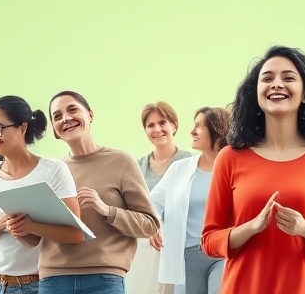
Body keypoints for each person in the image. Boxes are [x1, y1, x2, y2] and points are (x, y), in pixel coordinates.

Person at [201, 45, 305, 294]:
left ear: (304, 94)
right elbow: (209, 240)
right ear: (256, 94)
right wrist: (251, 227)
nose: (276, 84)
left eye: (288, 77)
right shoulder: (230, 158)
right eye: (267, 78)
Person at [40, 91, 160, 294]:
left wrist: (107, 211)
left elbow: (150, 225)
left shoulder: (121, 161)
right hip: (53, 280)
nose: (66, 119)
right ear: (54, 129)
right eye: (57, 116)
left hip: (104, 280)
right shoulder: (51, 171)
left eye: (72, 110)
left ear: (91, 115)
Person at [0, 95, 85, 294]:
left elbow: (75, 234)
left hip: (35, 285)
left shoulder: (54, 170)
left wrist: (31, 226)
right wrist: (3, 223)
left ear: (22, 128)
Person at [150, 107, 232, 294]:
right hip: (186, 256)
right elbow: (153, 202)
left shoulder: (234, 169)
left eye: (199, 126)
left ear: (217, 130)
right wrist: (154, 225)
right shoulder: (179, 169)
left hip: (223, 254)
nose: (192, 131)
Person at [130, 102, 193, 294]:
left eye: (162, 123)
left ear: (174, 125)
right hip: (144, 245)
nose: (157, 129)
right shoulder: (138, 165)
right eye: (150, 125)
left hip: (175, 244)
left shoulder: (187, 161)